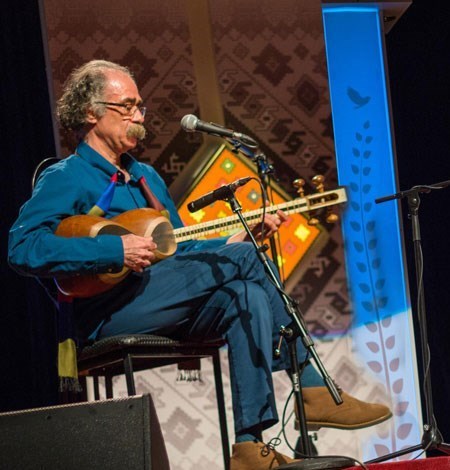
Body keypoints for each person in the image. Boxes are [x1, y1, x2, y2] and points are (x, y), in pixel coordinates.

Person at [8, 60, 392, 470]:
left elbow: (180, 249)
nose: (139, 117)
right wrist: (114, 252)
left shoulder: (146, 178)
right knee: (246, 265)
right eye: (127, 106)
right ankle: (311, 385)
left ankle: (249, 447)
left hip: (165, 297)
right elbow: (23, 247)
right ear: (90, 112)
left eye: (140, 107)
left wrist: (236, 239)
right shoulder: (67, 176)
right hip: (109, 313)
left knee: (245, 293)